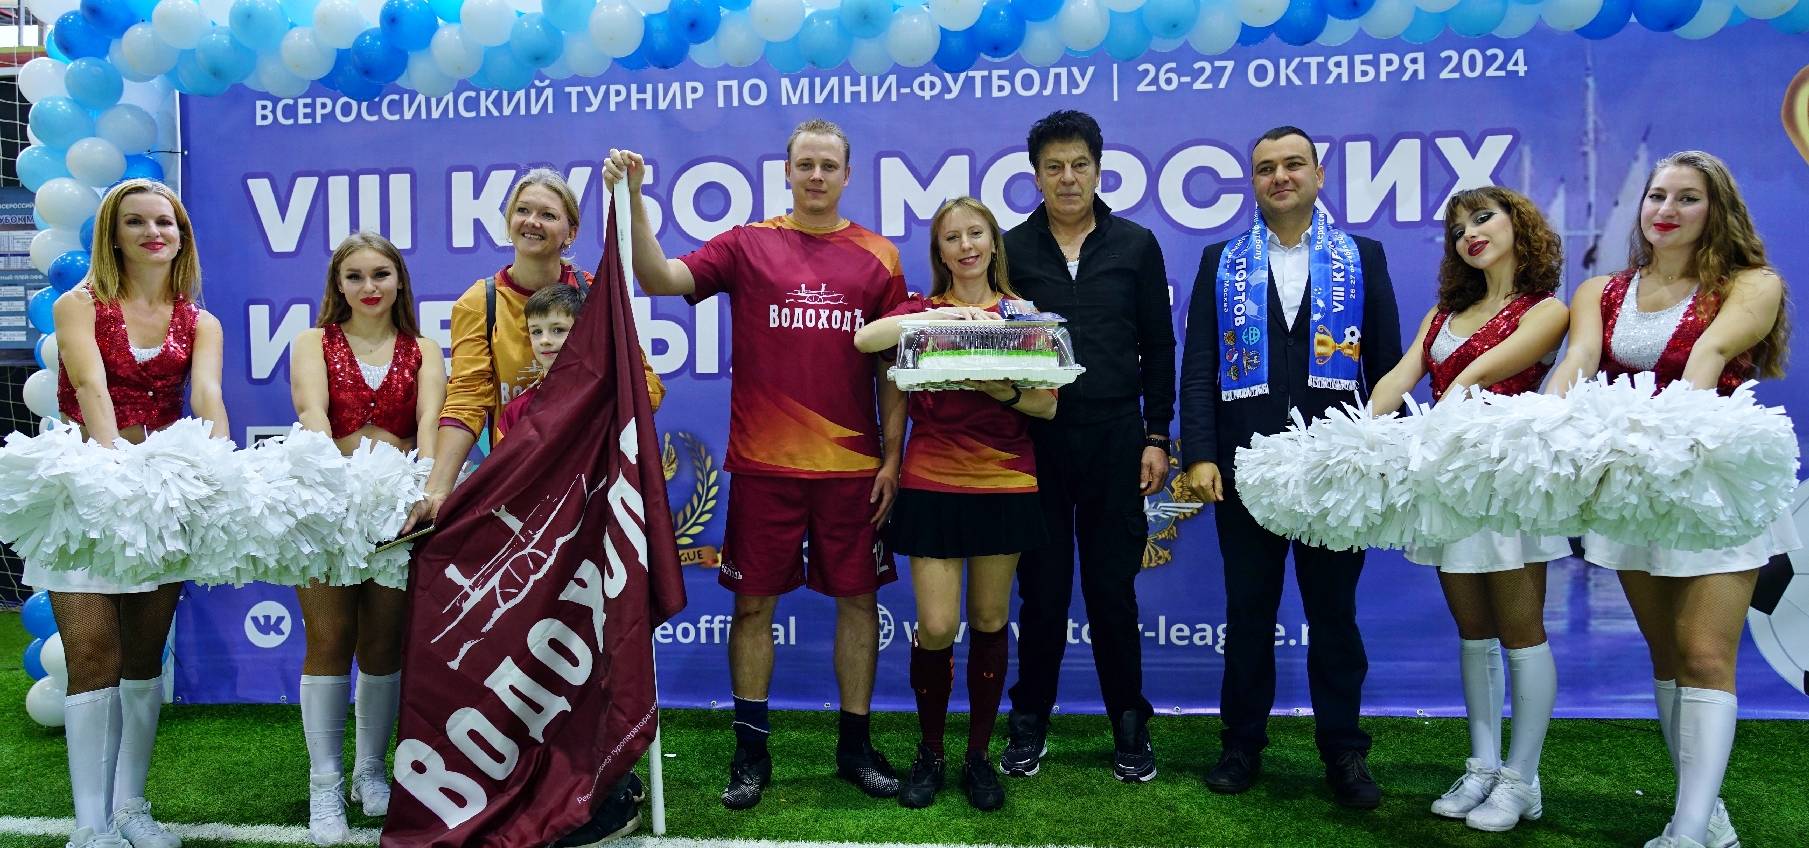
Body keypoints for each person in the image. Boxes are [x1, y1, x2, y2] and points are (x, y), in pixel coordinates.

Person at [603, 117, 909, 810]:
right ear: (787, 171)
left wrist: (892, 456)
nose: (816, 176)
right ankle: (751, 752)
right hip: (765, 468)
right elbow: (657, 276)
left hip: (852, 472)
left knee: (860, 605)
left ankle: (855, 748)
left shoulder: (879, 258)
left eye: (828, 165)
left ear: (847, 174)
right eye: (805, 164)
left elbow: (893, 369)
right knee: (751, 608)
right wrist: (634, 198)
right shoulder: (748, 243)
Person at [1545, 151, 1795, 848]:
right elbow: (1576, 364)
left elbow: (1706, 360)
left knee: (1705, 655)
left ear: (1717, 209)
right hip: (1631, 493)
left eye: (1687, 198)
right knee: (1668, 656)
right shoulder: (1599, 291)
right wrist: (1541, 434)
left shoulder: (1752, 284)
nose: (1665, 209)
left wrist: (1662, 444)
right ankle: (1704, 813)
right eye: (1656, 195)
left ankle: (1684, 831)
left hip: (1710, 485)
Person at [407, 168, 662, 846]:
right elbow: (467, 398)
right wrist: (439, 489)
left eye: (548, 213)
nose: (533, 222)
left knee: (593, 636)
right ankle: (526, 778)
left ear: (570, 231)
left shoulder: (597, 292)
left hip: (592, 496)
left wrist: (584, 398)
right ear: (507, 219)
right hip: (517, 501)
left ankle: (607, 786)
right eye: (523, 209)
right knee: (521, 641)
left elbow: (648, 390)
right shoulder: (480, 301)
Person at [1178, 126, 1402, 809]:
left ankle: (1344, 753)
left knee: (1334, 615)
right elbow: (1199, 367)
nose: (1280, 177)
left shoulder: (1361, 257)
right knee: (1248, 613)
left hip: (1335, 469)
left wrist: (1381, 454)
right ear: (1252, 182)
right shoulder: (1221, 261)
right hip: (1245, 469)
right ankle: (1241, 745)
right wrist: (1201, 454)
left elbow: (1387, 367)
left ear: (1318, 175)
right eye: (1266, 168)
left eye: (1293, 164)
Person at [1367, 187, 1569, 831]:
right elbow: (1400, 379)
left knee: (1521, 631)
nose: (1470, 234)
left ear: (1519, 225)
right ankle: (1482, 767)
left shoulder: (1547, 310)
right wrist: (1356, 435)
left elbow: (1469, 379)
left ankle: (1521, 779)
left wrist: (1432, 419)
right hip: (1449, 485)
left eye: (1483, 218)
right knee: (1473, 630)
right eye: (1457, 229)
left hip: (1507, 485)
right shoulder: (1442, 313)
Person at [40, 178, 229, 848]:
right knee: (93, 651)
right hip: (86, 489)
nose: (153, 233)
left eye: (165, 222)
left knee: (144, 656)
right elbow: (90, 387)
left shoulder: (200, 322)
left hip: (160, 493)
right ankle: (89, 826)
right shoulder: (78, 305)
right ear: (112, 235)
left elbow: (206, 399)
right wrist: (112, 471)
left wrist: (223, 471)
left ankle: (130, 809)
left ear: (181, 236)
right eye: (136, 222)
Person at [854, 197, 1056, 811]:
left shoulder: (1022, 316)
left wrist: (999, 386)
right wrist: (947, 324)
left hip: (1005, 483)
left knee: (990, 621)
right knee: (938, 627)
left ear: (994, 243)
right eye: (952, 237)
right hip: (933, 481)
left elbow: (1047, 404)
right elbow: (866, 338)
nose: (966, 246)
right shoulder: (922, 311)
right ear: (939, 252)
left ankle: (978, 756)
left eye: (976, 234)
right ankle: (931, 752)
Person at [997, 109, 1174, 784]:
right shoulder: (1011, 249)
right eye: (1054, 167)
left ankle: (1128, 722)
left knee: (1111, 591)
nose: (1067, 178)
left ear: (1098, 171)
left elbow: (1158, 346)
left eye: (1079, 165)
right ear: (1036, 175)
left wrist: (1156, 435)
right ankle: (1028, 719)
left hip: (1116, 437)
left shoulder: (1135, 244)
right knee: (1041, 592)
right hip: (1037, 440)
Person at [286, 232, 445, 845]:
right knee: (329, 641)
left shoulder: (424, 349)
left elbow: (430, 422)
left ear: (400, 280)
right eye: (354, 276)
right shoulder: (313, 342)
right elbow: (312, 414)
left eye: (381, 274)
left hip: (399, 508)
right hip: (329, 501)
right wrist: (335, 484)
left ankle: (370, 773)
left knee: (383, 647)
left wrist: (422, 488)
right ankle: (324, 785)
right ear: (338, 284)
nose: (369, 287)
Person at [496, 282, 584, 436]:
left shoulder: (604, 399)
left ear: (584, 331)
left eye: (558, 330)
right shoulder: (517, 411)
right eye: (536, 332)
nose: (545, 340)